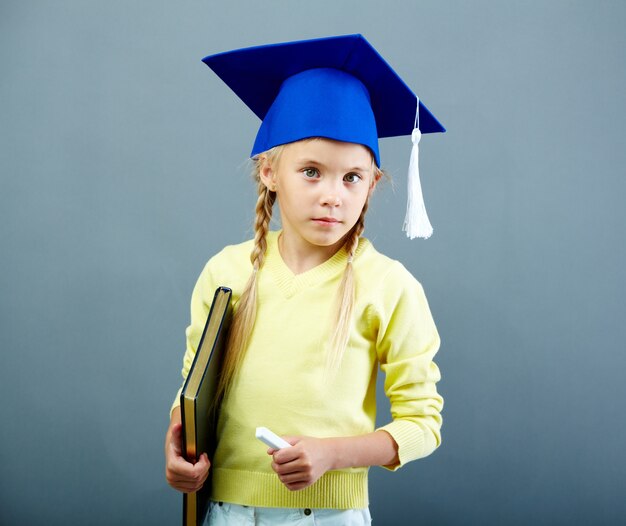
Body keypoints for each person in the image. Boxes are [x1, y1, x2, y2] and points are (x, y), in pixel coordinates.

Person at [165, 34, 445, 525]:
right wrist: (179, 448)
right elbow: (193, 389)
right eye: (311, 171)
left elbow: (423, 425)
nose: (332, 195)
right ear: (270, 171)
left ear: (373, 183)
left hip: (329, 514)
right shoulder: (227, 272)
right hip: (226, 511)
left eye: (351, 177)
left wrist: (333, 454)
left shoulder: (389, 286)